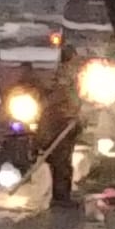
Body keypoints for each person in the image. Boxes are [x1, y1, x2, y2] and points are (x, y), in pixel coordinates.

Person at [42, 47, 84, 204]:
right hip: (60, 124)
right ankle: (61, 196)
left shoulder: (66, 75)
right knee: (61, 162)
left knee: (62, 162)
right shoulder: (64, 76)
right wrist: (71, 115)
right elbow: (61, 98)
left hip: (63, 123)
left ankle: (61, 195)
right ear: (70, 58)